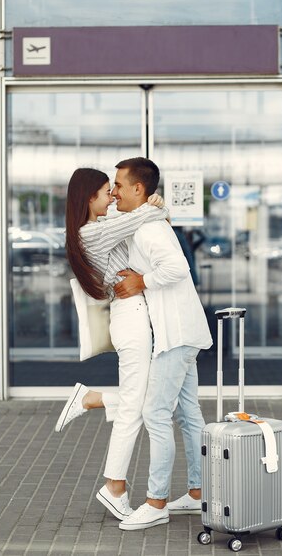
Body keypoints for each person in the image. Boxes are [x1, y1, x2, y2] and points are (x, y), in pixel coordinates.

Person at [54, 167, 169, 521]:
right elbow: (150, 214)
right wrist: (155, 203)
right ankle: (114, 487)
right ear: (90, 197)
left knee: (148, 402)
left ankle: (94, 399)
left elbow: (140, 216)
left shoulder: (91, 231)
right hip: (131, 316)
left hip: (131, 315)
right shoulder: (93, 233)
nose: (113, 196)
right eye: (108, 191)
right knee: (137, 408)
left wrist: (151, 205)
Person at [111, 157, 212, 531]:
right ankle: (199, 493)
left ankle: (156, 503)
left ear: (139, 189)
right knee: (188, 415)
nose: (113, 190)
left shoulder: (149, 229)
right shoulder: (148, 221)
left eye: (119, 184)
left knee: (155, 413)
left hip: (175, 335)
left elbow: (178, 268)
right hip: (184, 332)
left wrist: (142, 282)